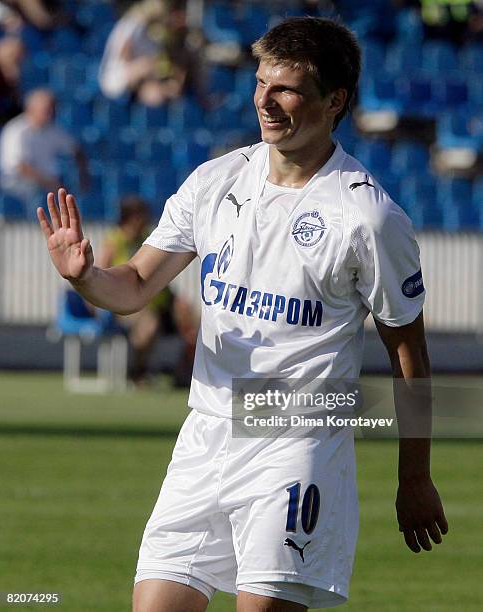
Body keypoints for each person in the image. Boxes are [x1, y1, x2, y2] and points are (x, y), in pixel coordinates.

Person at [37, 17, 448, 612]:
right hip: (203, 436)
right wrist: (85, 277)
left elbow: (408, 352)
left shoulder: (368, 217)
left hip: (294, 446)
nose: (265, 100)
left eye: (286, 89)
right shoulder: (216, 180)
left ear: (335, 101)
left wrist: (414, 478)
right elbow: (132, 287)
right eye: (260, 83)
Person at [97, 194, 197, 386]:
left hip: (161, 301)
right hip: (130, 305)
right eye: (142, 216)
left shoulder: (148, 237)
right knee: (148, 325)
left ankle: (185, 372)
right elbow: (101, 274)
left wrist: (176, 301)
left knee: (194, 319)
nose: (147, 220)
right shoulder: (115, 241)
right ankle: (138, 371)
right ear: (131, 218)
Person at [0, 88, 88, 217]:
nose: (51, 113)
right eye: (46, 109)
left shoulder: (52, 130)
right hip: (16, 187)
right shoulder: (16, 130)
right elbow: (19, 167)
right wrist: (51, 183)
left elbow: (76, 149)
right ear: (31, 108)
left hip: (46, 187)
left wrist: (83, 176)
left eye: (52, 109)